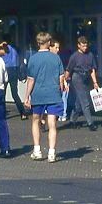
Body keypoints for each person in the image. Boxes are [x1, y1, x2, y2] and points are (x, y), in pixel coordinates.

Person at [25, 31, 64, 162]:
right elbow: (61, 78)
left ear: (38, 43)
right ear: (48, 42)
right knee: (52, 124)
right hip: (53, 94)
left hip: (38, 94)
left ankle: (37, 150)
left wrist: (26, 96)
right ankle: (52, 153)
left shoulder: (33, 58)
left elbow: (31, 80)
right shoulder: (56, 58)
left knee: (36, 121)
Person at [63, 36, 100, 131]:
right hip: (77, 77)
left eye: (86, 46)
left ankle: (72, 120)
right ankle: (90, 123)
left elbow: (92, 70)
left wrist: (95, 82)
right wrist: (64, 81)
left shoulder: (90, 55)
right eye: (83, 46)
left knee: (79, 102)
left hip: (86, 77)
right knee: (85, 101)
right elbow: (68, 69)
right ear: (78, 45)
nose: (85, 48)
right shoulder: (74, 56)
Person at [0, 35, 27, 120]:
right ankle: (22, 113)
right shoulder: (15, 49)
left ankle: (2, 113)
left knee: (3, 93)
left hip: (6, 70)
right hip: (15, 70)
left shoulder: (3, 50)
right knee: (14, 93)